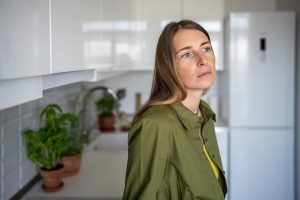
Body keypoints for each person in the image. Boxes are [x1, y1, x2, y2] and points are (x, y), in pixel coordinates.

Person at [122, 20, 227, 200]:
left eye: (206, 49)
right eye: (186, 54)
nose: (203, 60)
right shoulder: (155, 125)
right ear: (168, 67)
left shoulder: (205, 114)